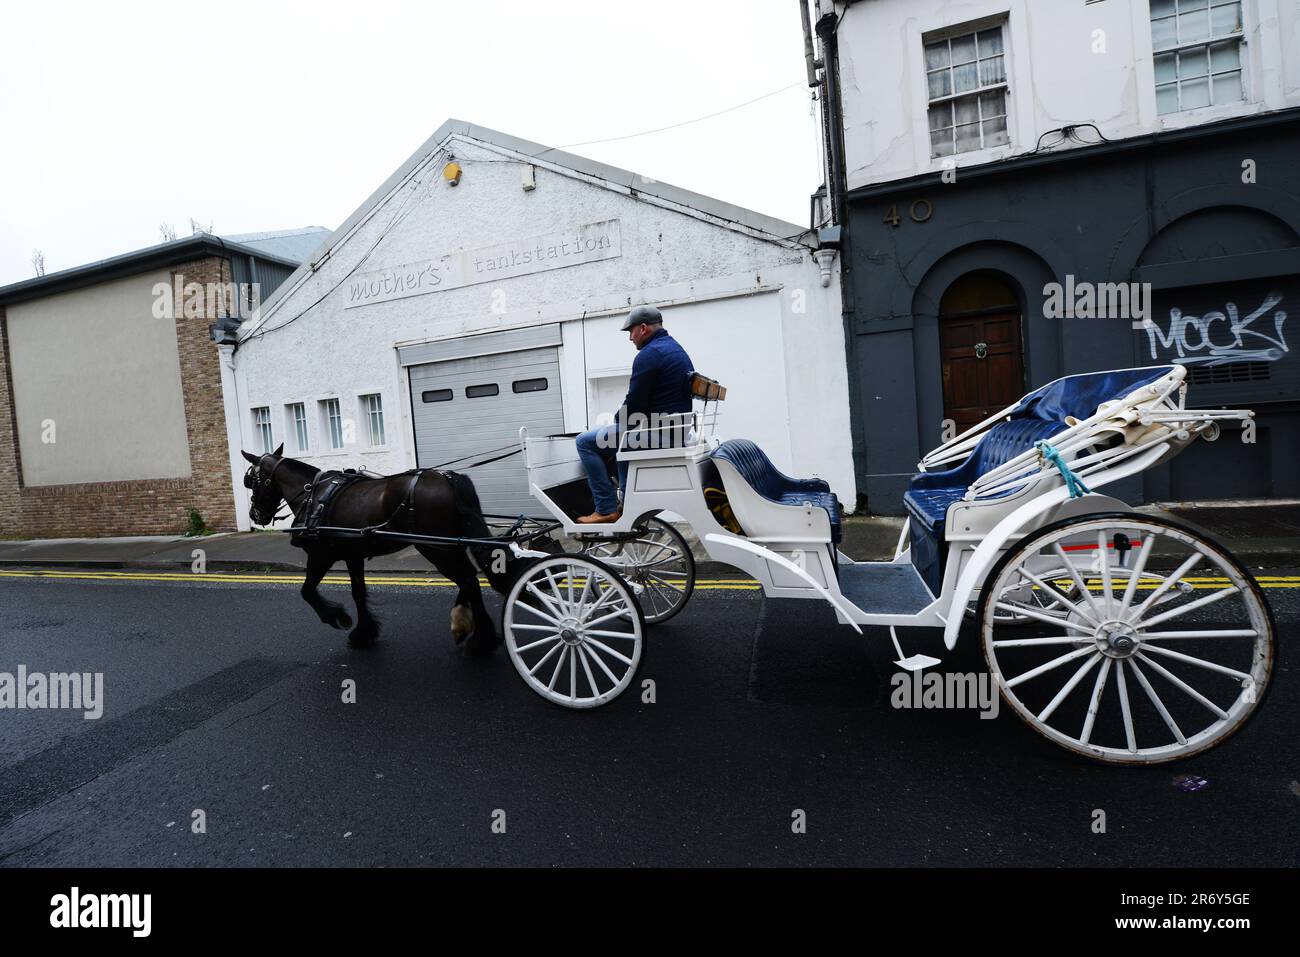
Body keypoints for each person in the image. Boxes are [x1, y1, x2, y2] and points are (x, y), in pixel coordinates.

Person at [575, 305, 694, 523]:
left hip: (661, 433)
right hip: (675, 430)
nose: (630, 338)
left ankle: (605, 508)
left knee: (584, 441)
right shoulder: (675, 349)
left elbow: (635, 403)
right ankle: (627, 499)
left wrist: (617, 420)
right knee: (622, 436)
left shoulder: (650, 354)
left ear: (643, 328)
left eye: (631, 332)